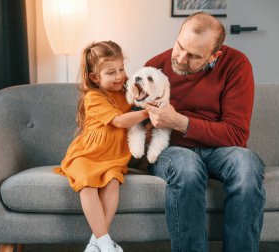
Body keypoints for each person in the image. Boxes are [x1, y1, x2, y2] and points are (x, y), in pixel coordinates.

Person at [144, 12, 265, 252]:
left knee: (247, 163)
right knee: (188, 166)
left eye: (194, 56)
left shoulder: (236, 65)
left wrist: (181, 122)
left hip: (220, 151)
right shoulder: (155, 66)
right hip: (172, 150)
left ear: (214, 56)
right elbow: (133, 120)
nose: (180, 58)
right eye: (180, 46)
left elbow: (236, 135)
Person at [55, 41, 149, 252]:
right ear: (95, 77)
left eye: (122, 69)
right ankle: (106, 244)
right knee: (87, 186)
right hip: (87, 155)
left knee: (112, 183)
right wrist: (148, 113)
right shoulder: (93, 97)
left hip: (113, 157)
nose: (119, 76)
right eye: (111, 72)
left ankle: (95, 243)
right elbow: (119, 121)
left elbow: (144, 95)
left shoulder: (127, 91)